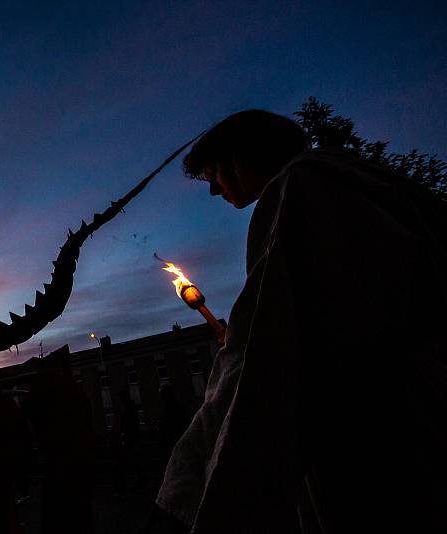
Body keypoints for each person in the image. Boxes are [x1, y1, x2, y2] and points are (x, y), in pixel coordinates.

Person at [148, 110, 447, 533]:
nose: (215, 190)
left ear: (241, 157)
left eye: (215, 174)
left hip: (385, 444)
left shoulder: (303, 188)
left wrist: (181, 497)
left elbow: (262, 360)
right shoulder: (384, 188)